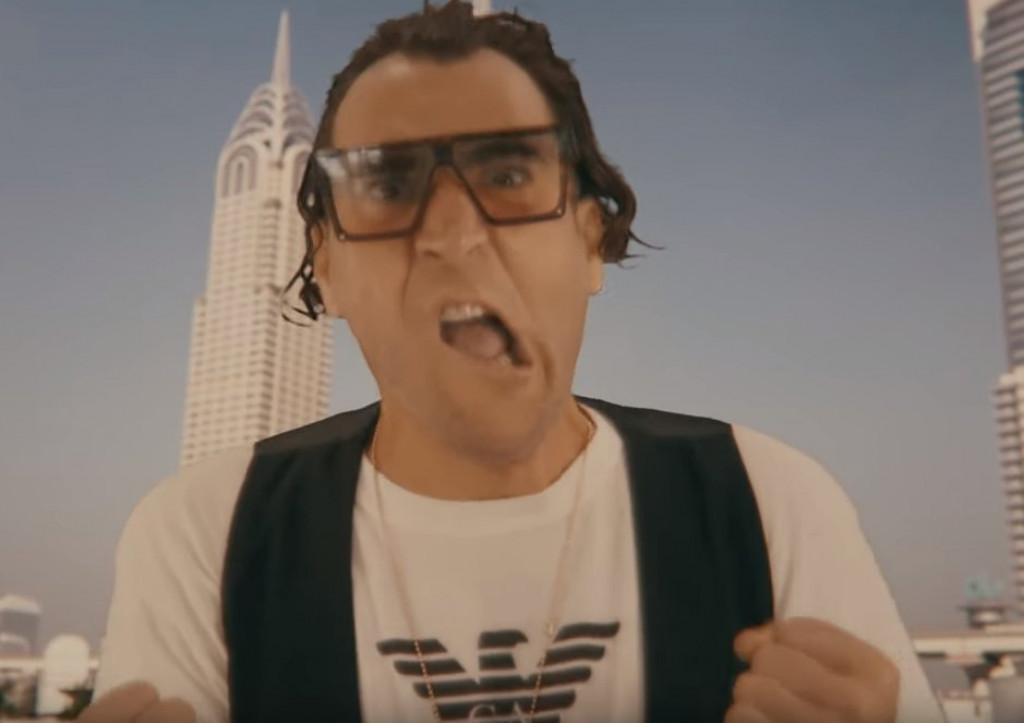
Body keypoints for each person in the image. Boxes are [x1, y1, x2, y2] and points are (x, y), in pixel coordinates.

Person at [83, 3, 946, 722]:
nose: (453, 233)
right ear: (328, 264)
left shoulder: (764, 500)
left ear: (591, 239)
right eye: (386, 184)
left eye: (507, 174)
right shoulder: (208, 531)